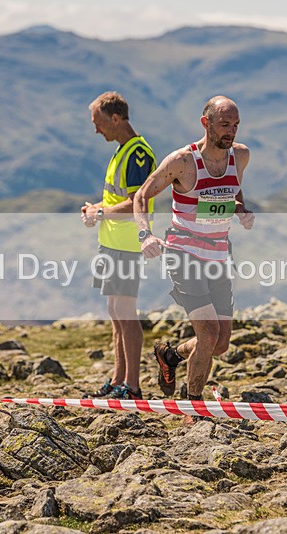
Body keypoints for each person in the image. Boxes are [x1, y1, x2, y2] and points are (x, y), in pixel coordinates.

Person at [134, 95, 254, 419]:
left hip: (217, 256)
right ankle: (194, 411)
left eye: (236, 125)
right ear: (206, 123)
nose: (231, 131)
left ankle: (171, 356)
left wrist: (240, 209)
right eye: (225, 124)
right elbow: (142, 194)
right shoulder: (183, 162)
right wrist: (145, 234)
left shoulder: (239, 156)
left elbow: (233, 188)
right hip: (183, 254)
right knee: (209, 333)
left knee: (219, 343)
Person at [80, 92, 156, 401]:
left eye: (98, 123)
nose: (96, 130)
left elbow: (137, 203)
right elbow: (116, 199)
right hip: (111, 241)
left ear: (116, 118)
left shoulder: (138, 153)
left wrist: (101, 213)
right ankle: (118, 378)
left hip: (126, 244)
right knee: (115, 311)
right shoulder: (121, 150)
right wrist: (96, 209)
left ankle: (133, 386)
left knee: (126, 312)